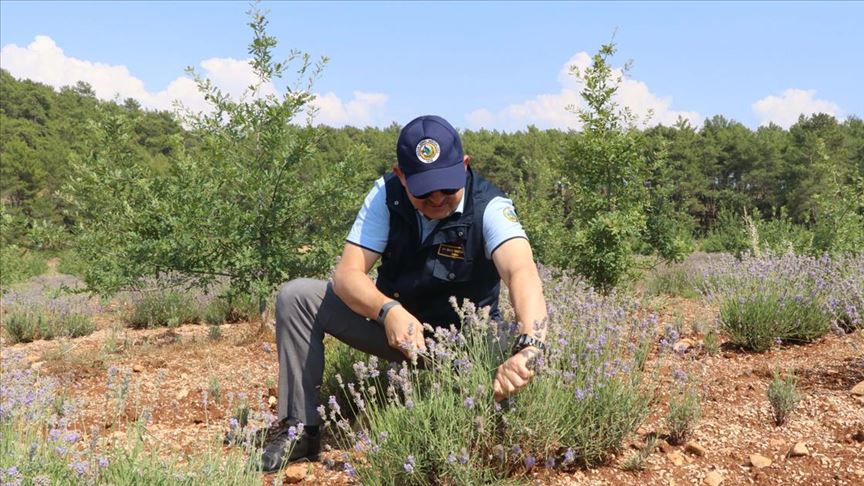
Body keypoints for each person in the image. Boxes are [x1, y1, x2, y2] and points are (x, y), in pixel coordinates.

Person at [259, 115, 547, 472]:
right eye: (424, 190)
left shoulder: (490, 205)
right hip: (397, 335)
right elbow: (348, 275)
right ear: (401, 176)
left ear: (465, 165)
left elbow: (522, 271)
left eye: (447, 186)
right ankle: (300, 430)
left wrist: (530, 347)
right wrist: (388, 310)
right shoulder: (385, 195)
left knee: (490, 418)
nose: (438, 198)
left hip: (465, 349)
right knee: (297, 296)